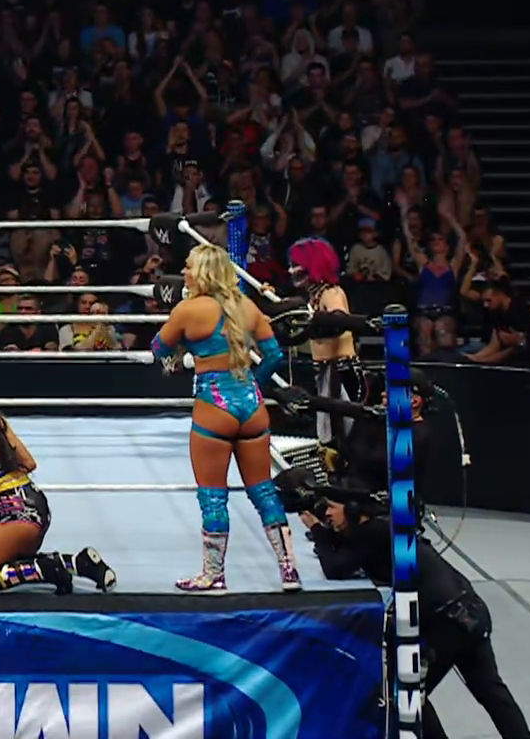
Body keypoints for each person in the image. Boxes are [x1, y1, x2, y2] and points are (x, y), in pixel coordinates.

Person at [302, 499, 530, 739]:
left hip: (446, 622)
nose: (327, 513)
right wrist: (327, 534)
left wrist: (317, 530)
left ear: (354, 507)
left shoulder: (371, 532)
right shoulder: (389, 527)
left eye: (331, 507)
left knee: (406, 693)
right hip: (470, 610)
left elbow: (335, 567)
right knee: (490, 689)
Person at [151, 242, 301, 592]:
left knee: (213, 496)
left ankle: (213, 575)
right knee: (264, 491)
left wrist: (187, 345)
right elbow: (274, 355)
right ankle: (290, 572)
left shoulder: (189, 309)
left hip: (214, 406)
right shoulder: (247, 306)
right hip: (251, 405)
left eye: (189, 266)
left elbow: (158, 347)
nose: (184, 272)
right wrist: (254, 385)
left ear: (203, 273)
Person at [0, 364, 115, 595]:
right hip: (36, 505)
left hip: (19, 517)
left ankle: (47, 569)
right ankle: (78, 563)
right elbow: (28, 463)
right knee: (0, 565)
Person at [288, 237, 368, 442]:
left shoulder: (332, 293)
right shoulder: (313, 297)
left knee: (344, 436)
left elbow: (338, 324)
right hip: (326, 371)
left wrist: (312, 326)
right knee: (330, 435)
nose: (291, 271)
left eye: (296, 265)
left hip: (341, 372)